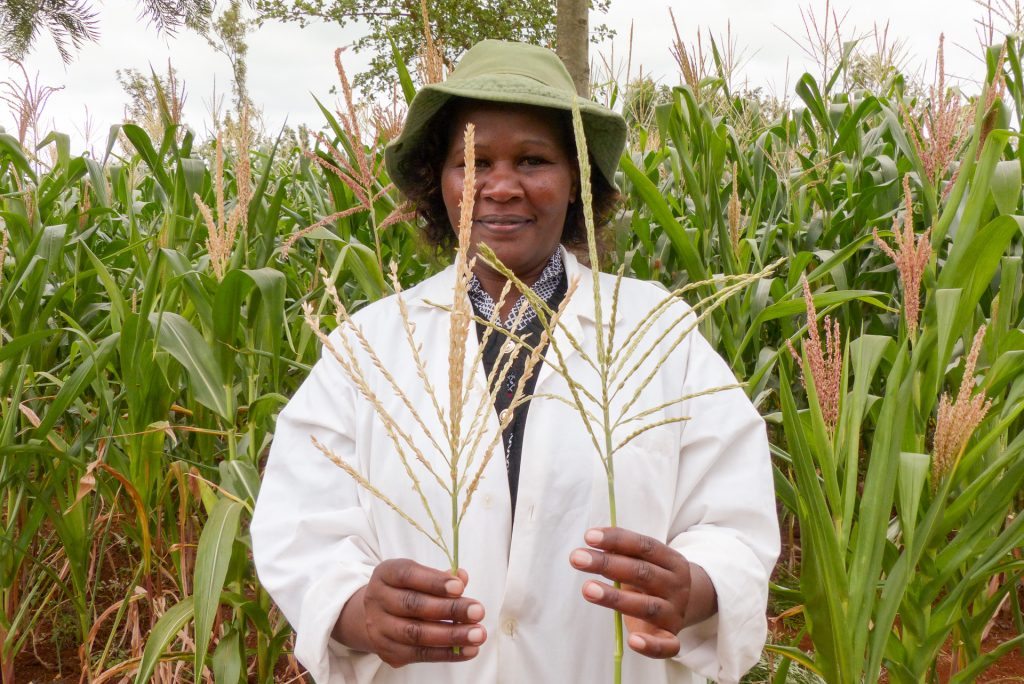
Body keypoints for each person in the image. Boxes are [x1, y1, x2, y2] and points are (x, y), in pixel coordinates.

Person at [251, 39, 779, 684]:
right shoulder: (367, 347)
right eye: (472, 162)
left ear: (580, 181)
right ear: (437, 183)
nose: (499, 186)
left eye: (533, 160)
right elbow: (299, 526)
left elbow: (735, 518)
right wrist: (358, 611)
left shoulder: (656, 331)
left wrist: (694, 588)